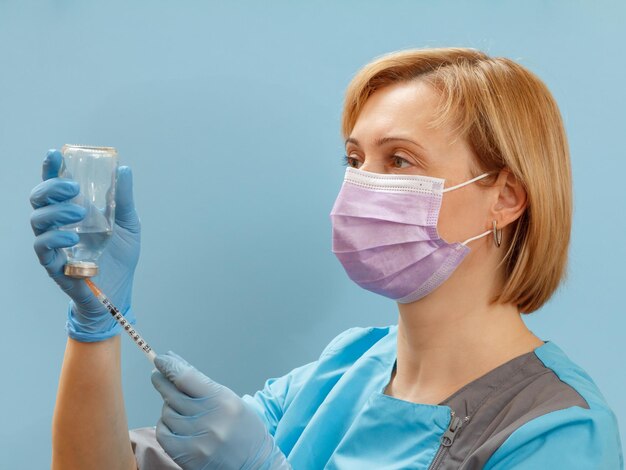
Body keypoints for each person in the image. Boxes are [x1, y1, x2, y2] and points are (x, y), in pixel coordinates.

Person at [30, 47, 623, 470]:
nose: (362, 185)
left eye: (400, 161)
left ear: (505, 198)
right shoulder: (342, 372)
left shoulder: (557, 430)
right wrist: (95, 324)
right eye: (355, 159)